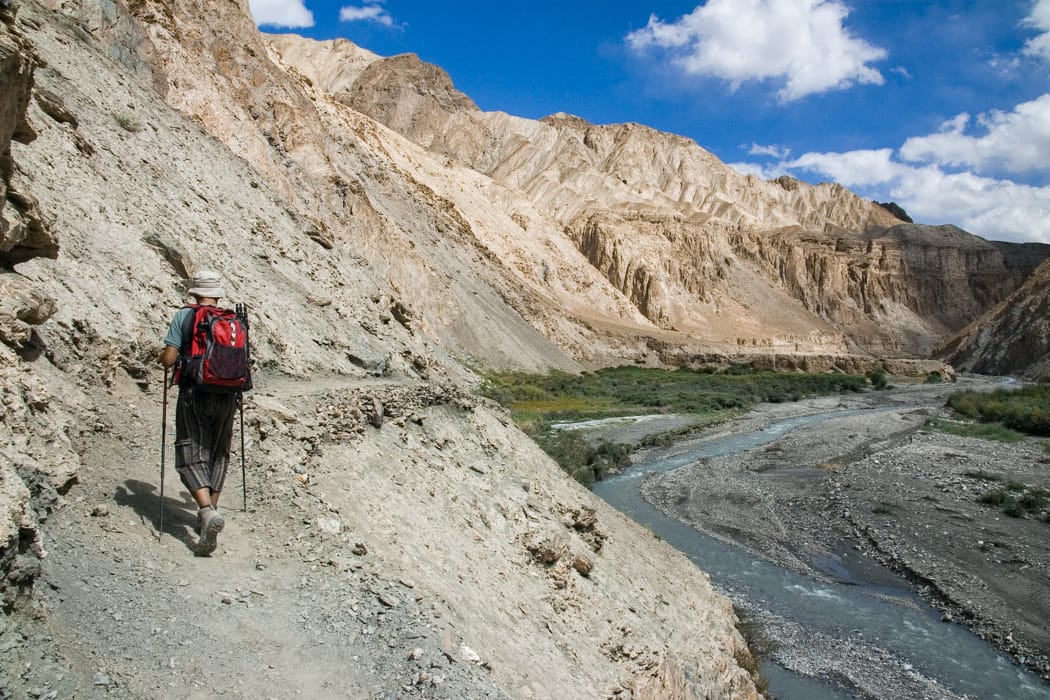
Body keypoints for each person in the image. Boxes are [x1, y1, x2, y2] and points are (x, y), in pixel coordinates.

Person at [160, 270, 238, 556]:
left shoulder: (185, 316)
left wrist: (167, 356)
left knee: (190, 450)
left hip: (195, 393)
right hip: (228, 395)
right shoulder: (233, 320)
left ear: (194, 292)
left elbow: (169, 358)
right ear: (217, 293)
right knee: (219, 452)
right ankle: (212, 510)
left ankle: (206, 512)